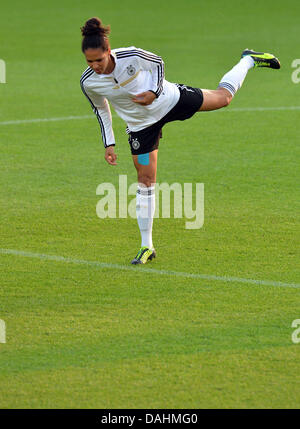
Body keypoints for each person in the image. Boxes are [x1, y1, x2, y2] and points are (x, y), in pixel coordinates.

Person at [80, 17, 280, 265]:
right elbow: (101, 109)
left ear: (108, 51)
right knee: (145, 180)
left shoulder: (131, 55)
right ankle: (146, 246)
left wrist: (153, 93)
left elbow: (158, 65)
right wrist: (108, 143)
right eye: (90, 61)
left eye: (99, 59)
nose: (95, 65)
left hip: (170, 100)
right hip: (142, 129)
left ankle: (248, 59)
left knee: (223, 99)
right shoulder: (88, 82)